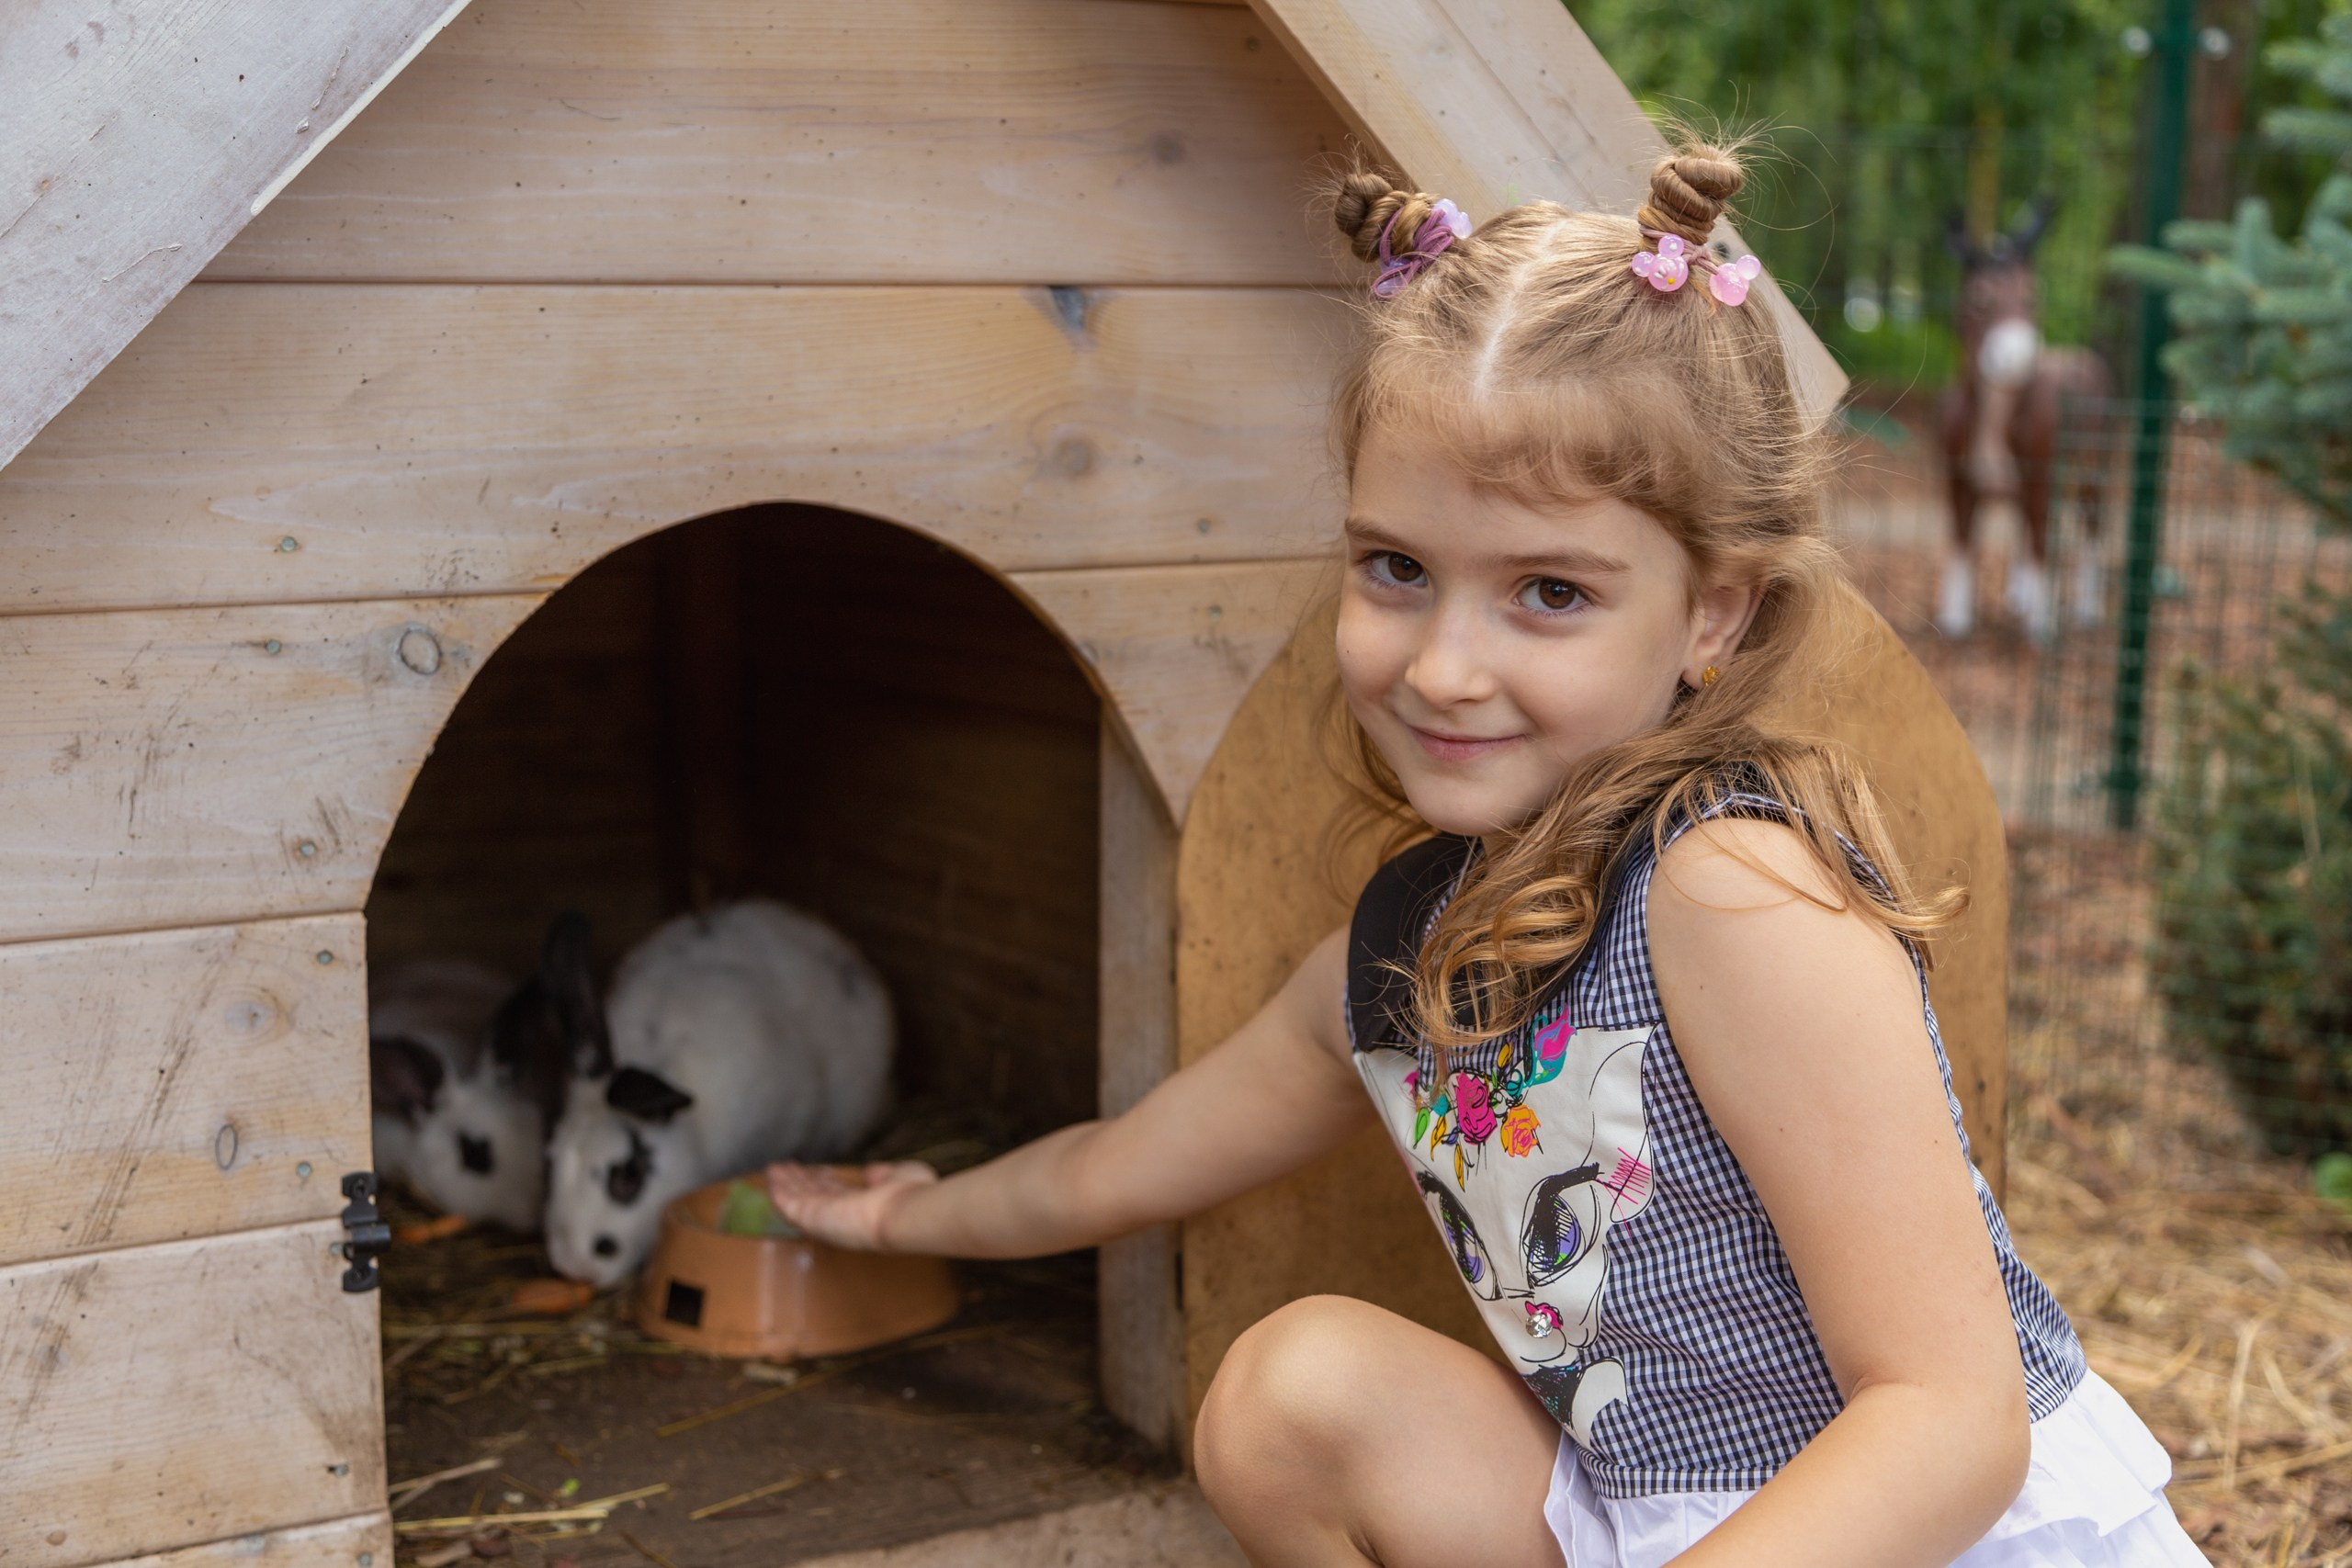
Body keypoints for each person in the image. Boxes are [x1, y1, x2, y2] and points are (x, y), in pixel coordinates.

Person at [768, 142, 2204, 1568]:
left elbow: (1950, 1419)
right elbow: (1124, 1169)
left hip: (1915, 1531)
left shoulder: (1733, 893)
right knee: (1286, 1395)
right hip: (1648, 1518)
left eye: (1549, 592)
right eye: (1397, 568)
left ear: (1713, 615)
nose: (1446, 668)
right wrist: (907, 1215)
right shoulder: (1396, 962)